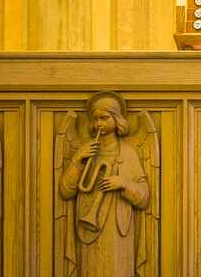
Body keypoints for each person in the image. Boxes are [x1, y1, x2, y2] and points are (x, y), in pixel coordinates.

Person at [58, 93, 150, 277]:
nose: (99, 124)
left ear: (117, 120)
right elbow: (65, 191)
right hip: (88, 225)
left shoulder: (128, 152)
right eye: (96, 119)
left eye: (104, 118)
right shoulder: (86, 151)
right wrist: (77, 159)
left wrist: (123, 183)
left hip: (117, 229)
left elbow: (144, 196)